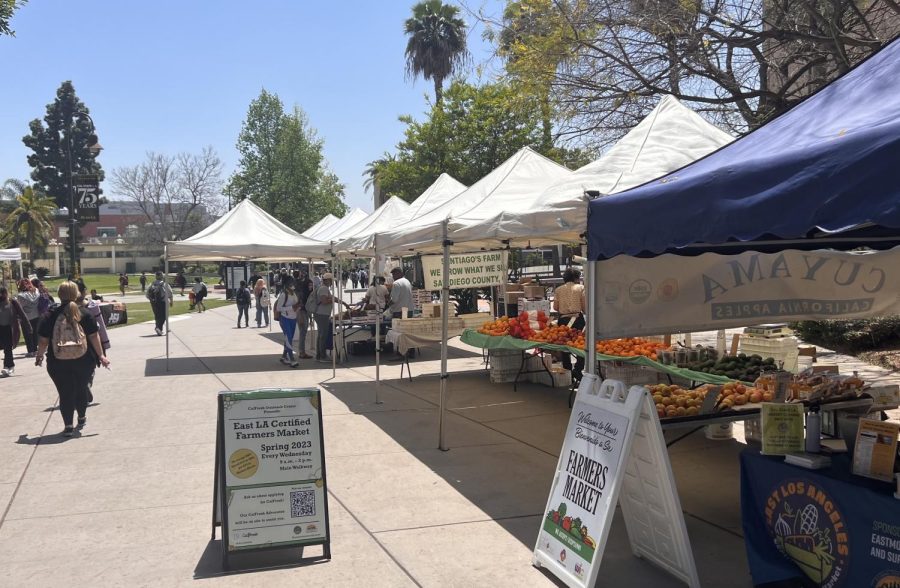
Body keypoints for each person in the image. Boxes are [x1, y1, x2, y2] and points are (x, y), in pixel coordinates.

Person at [35, 281, 110, 437]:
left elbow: (43, 340)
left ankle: (68, 426)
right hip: (83, 360)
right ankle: (81, 417)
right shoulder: (85, 313)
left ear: (59, 295)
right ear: (76, 294)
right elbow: (94, 336)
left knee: (65, 392)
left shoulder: (49, 315)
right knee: (81, 388)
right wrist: (101, 355)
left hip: (58, 361)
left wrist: (40, 355)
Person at [553, 268, 586, 385]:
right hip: (577, 319)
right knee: (581, 344)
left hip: (563, 320)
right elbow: (585, 307)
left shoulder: (558, 290)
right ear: (577, 278)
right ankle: (578, 368)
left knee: (564, 345)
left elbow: (556, 307)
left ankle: (568, 370)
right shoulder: (581, 288)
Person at [0, 286, 33, 377]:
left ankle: (8, 366)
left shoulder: (13, 302)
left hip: (10, 329)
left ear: (6, 293)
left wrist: (28, 327)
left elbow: (22, 314)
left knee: (7, 349)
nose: (1, 295)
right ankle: (8, 365)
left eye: (3, 293)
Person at [273, 278, 300, 367]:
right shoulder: (283, 295)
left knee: (289, 339)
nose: (293, 285)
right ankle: (292, 358)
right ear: (287, 284)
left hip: (293, 318)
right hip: (285, 319)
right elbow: (279, 308)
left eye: (294, 283)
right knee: (288, 337)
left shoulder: (293, 293)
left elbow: (296, 305)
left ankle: (284, 356)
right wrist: (292, 308)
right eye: (291, 283)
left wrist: (298, 307)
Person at [313, 273, 337, 363]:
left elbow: (331, 298)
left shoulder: (323, 288)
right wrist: (332, 300)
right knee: (323, 335)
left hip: (321, 314)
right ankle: (322, 356)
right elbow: (324, 301)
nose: (332, 282)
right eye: (331, 280)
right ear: (328, 280)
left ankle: (319, 355)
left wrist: (342, 303)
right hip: (322, 314)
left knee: (320, 335)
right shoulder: (324, 288)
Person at [15, 278, 40, 357]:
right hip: (36, 315)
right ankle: (35, 350)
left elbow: (19, 307)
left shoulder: (20, 296)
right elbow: (37, 293)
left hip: (26, 317)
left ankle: (30, 351)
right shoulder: (36, 293)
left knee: (27, 334)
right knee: (35, 333)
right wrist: (33, 288)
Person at [146, 271, 173, 336]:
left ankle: (159, 328)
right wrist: (171, 301)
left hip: (154, 302)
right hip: (163, 302)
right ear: (161, 276)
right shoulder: (164, 284)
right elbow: (170, 293)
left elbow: (147, 295)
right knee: (164, 315)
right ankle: (158, 328)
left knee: (157, 316)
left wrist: (152, 300)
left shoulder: (152, 284)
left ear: (156, 276)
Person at [295, 269, 313, 359]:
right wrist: (301, 315)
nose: (311, 287)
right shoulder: (302, 294)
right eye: (309, 285)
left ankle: (302, 351)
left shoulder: (305, 292)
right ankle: (302, 352)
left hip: (305, 311)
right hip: (302, 312)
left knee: (304, 332)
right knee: (303, 332)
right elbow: (300, 304)